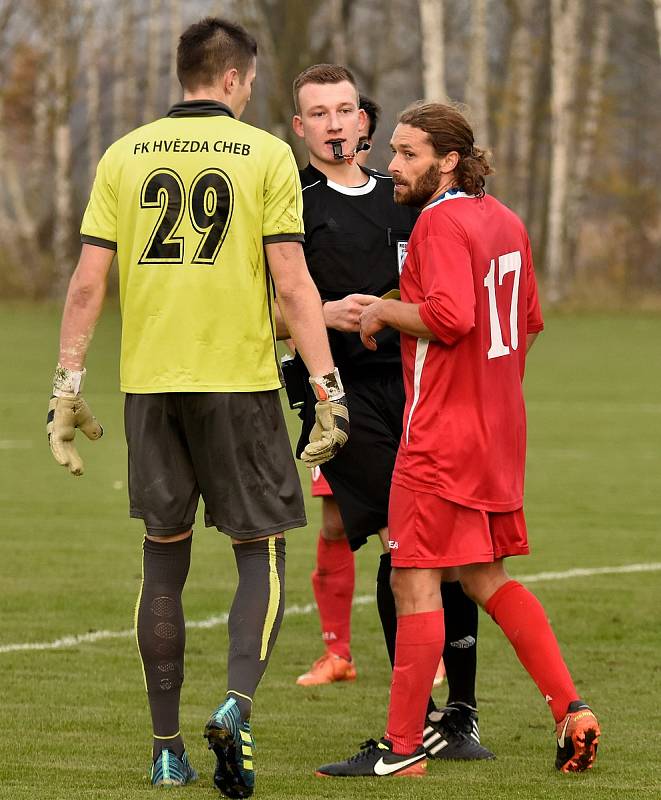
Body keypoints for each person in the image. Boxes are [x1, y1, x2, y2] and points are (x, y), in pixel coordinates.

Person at [46, 17, 349, 796]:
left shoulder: (123, 153)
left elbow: (86, 284)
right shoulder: (264, 154)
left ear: (183, 75)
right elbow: (292, 283)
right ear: (234, 80)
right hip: (237, 385)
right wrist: (326, 388)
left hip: (149, 386)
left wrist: (66, 387)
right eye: (249, 83)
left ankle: (165, 750)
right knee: (265, 551)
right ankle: (238, 706)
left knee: (163, 558)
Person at [317, 102, 601, 779]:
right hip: (498, 433)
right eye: (392, 151)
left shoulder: (438, 222)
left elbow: (449, 318)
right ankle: (571, 709)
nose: (392, 164)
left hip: (439, 437)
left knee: (413, 579)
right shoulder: (503, 218)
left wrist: (382, 308)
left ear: (447, 160)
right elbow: (526, 321)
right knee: (483, 577)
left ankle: (400, 748)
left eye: (407, 153)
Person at [280, 64, 493, 761]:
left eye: (345, 109)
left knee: (451, 548)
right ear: (300, 126)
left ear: (363, 120)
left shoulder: (405, 197)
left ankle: (457, 716)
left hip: (421, 389)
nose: (336, 123)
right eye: (319, 113)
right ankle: (421, 718)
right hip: (342, 397)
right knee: (408, 544)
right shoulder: (292, 204)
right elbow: (262, 312)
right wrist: (318, 319)